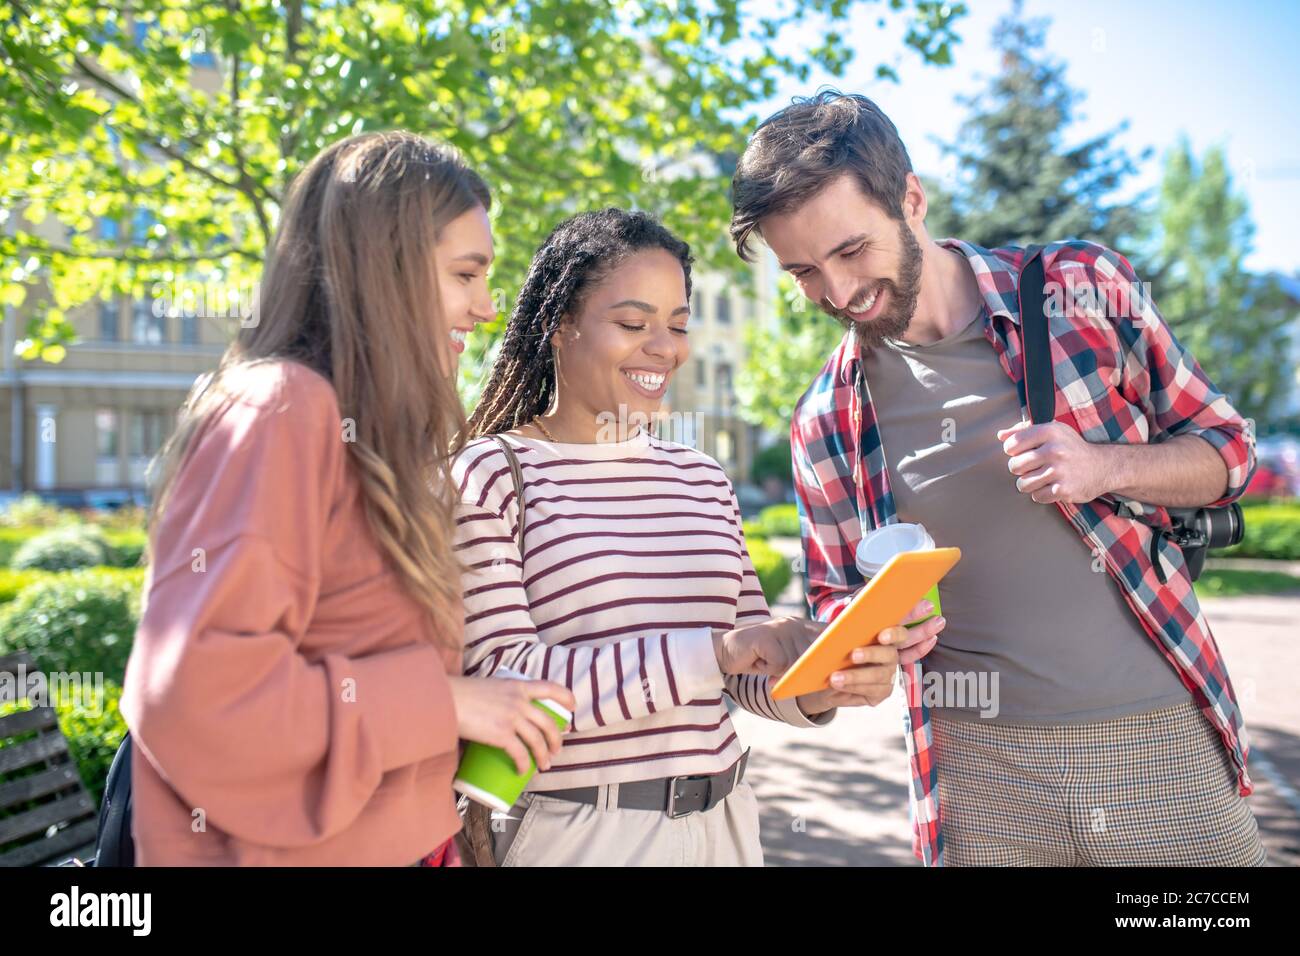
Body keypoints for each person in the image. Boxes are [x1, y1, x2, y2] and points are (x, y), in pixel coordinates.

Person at [730, 90, 1266, 866]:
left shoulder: (1077, 290)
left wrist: (1104, 465)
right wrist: (869, 635)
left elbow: (1229, 450)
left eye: (851, 252)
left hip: (1157, 741)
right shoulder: (825, 418)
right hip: (976, 773)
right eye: (805, 272)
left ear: (910, 199)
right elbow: (832, 603)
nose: (839, 294)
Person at [120, 130, 573, 866]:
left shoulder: (360, 435)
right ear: (384, 270)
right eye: (466, 274)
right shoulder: (283, 409)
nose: (486, 308)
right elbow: (194, 698)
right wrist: (448, 703)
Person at [454, 207, 937, 866]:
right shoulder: (491, 473)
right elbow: (505, 683)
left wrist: (826, 676)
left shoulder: (701, 477)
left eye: (678, 325)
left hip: (726, 823)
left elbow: (743, 675)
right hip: (583, 833)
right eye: (632, 324)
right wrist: (722, 650)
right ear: (560, 326)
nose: (666, 348)